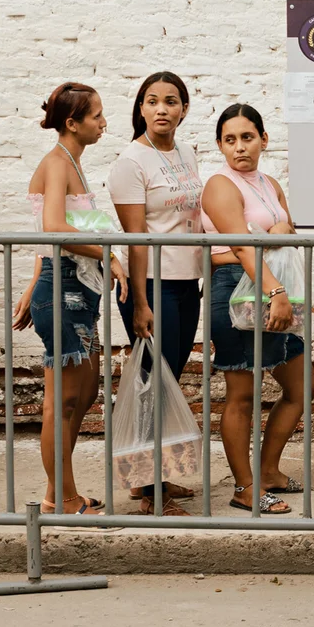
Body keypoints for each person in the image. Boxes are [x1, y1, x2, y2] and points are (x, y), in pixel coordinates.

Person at [11, 83, 126, 516]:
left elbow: (50, 240)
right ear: (72, 123)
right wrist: (110, 254)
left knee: (82, 396)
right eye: (96, 115)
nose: (103, 122)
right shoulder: (57, 163)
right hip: (63, 295)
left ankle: (60, 491)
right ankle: (62, 498)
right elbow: (55, 227)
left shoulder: (72, 164)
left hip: (75, 292)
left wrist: (32, 283)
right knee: (61, 403)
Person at [201, 104, 307, 513]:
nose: (239, 147)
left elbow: (287, 233)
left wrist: (276, 235)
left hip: (273, 287)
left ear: (264, 139)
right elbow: (241, 246)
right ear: (220, 145)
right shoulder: (219, 185)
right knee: (242, 394)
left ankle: (268, 471)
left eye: (247, 137)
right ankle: (245, 487)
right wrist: (275, 288)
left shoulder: (269, 182)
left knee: (302, 389)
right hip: (237, 290)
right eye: (230, 140)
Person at [107, 71, 204, 512]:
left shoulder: (186, 153)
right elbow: (135, 237)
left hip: (186, 281)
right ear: (141, 109)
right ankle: (150, 492)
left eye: (171, 101)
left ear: (183, 107)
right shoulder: (132, 162)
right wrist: (141, 301)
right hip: (151, 286)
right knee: (152, 384)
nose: (162, 109)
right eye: (152, 101)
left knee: (170, 382)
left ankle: (150, 476)